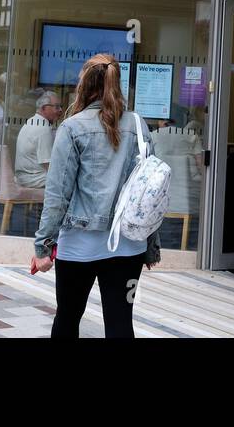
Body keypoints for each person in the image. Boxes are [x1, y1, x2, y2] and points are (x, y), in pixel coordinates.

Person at [31, 54, 161, 338]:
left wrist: (43, 246)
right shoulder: (139, 126)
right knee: (120, 323)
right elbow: (151, 193)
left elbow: (57, 194)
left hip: (78, 245)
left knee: (67, 318)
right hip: (128, 246)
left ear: (84, 85)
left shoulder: (72, 127)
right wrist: (151, 245)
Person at [15, 90, 62, 189]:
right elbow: (49, 165)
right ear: (44, 108)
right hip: (35, 180)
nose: (60, 110)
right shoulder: (43, 128)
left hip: (23, 178)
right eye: (57, 107)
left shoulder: (31, 121)